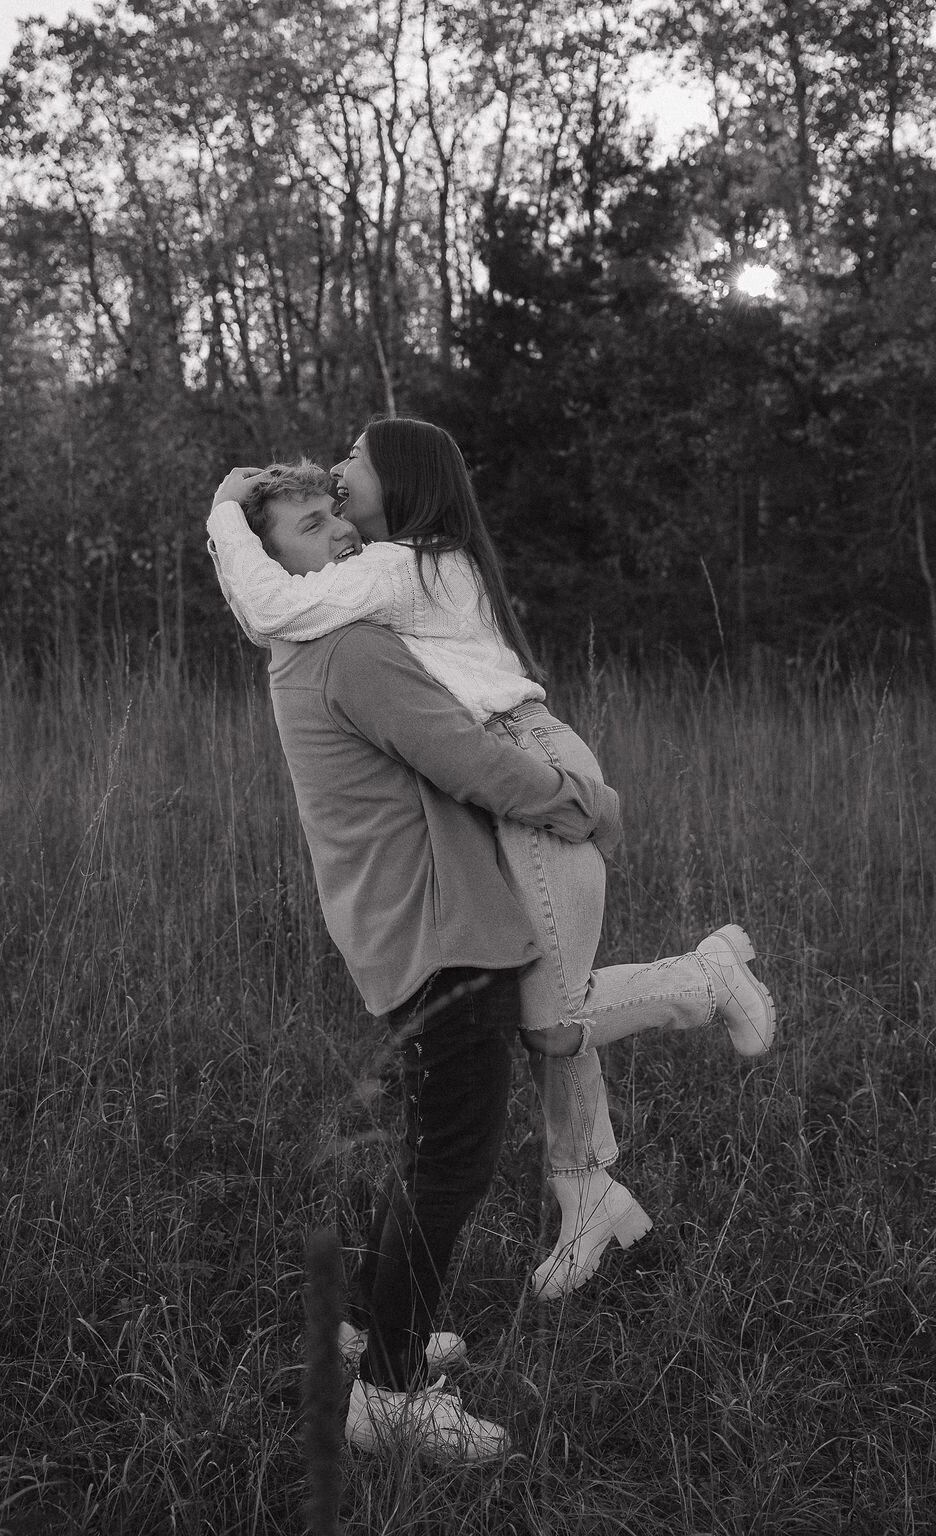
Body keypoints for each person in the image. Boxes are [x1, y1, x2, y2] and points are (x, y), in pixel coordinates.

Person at [209, 427, 776, 1303]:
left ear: (399, 480)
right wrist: (233, 523)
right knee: (550, 1005)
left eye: (349, 469)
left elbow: (269, 607)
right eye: (315, 511)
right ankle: (584, 1189)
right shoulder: (383, 589)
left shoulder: (408, 567)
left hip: (528, 761)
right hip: (512, 768)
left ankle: (703, 981)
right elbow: (271, 610)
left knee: (555, 1018)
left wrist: (224, 519)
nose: (338, 475)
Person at [207, 471, 626, 1463]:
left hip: (408, 931)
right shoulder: (349, 649)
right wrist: (585, 806)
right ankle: (390, 1397)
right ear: (275, 561)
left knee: (432, 1152)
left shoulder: (303, 651)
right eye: (313, 527)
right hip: (444, 933)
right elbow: (472, 764)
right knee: (454, 1165)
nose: (341, 534)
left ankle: (368, 1332)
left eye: (333, 514)